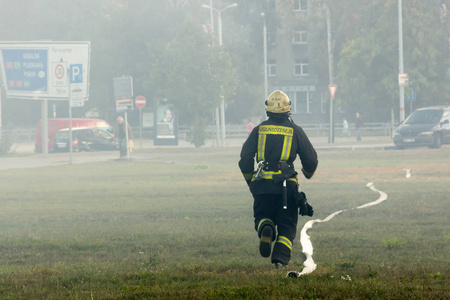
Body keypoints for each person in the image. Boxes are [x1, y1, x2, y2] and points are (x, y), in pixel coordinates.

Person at [238, 90, 318, 269]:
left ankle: (266, 226)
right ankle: (279, 261)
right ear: (288, 109)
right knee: (287, 226)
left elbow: (245, 157)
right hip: (287, 188)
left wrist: (251, 181)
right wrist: (307, 171)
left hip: (263, 186)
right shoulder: (295, 131)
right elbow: (311, 161)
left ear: (267, 109)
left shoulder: (259, 130)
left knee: (262, 215)